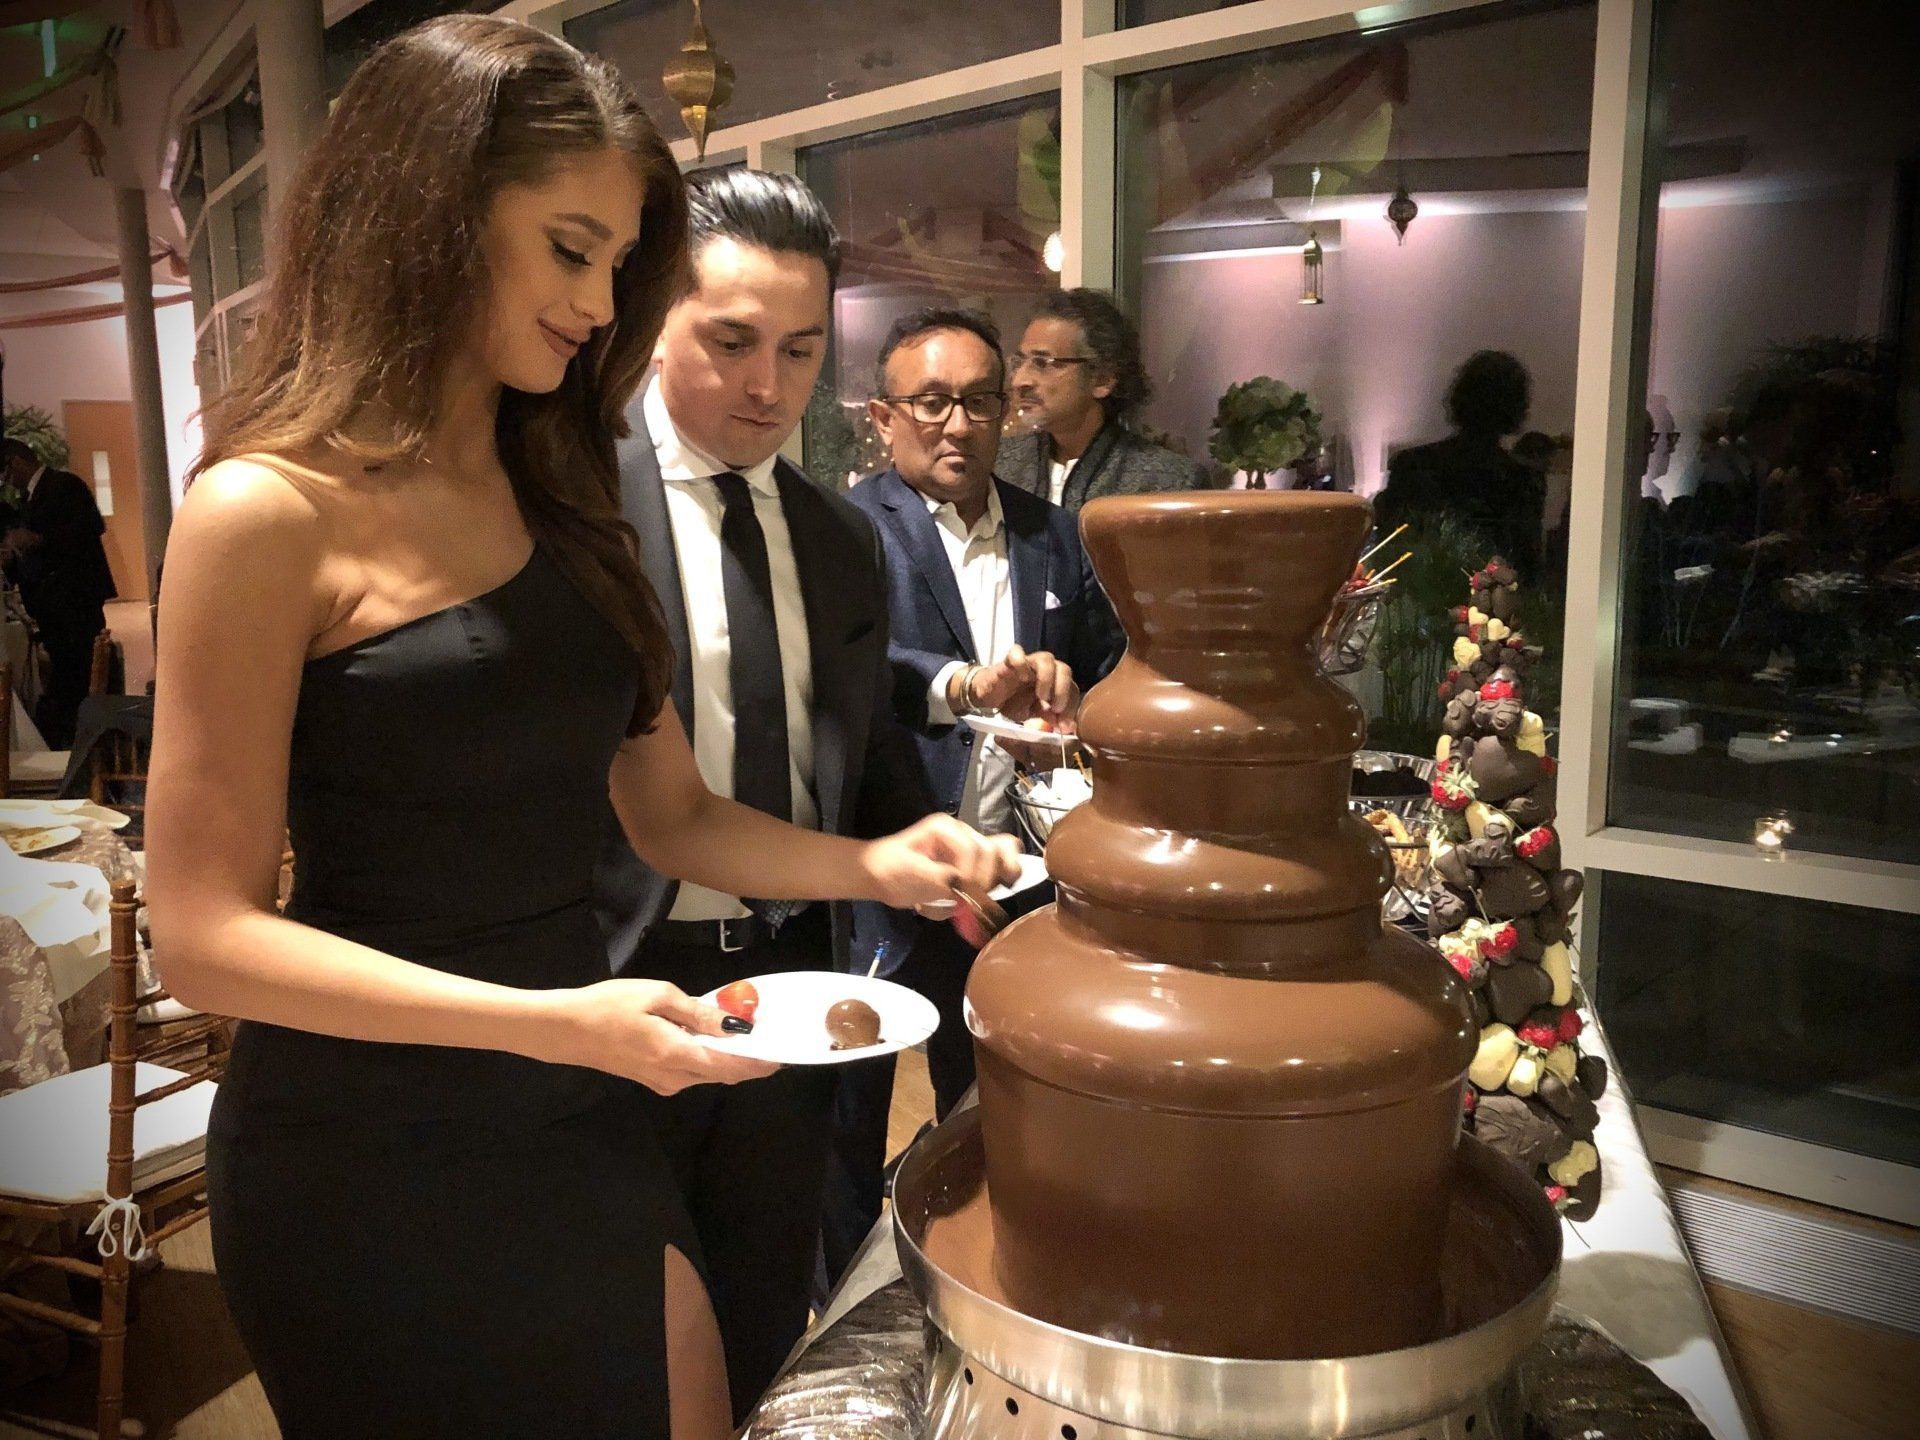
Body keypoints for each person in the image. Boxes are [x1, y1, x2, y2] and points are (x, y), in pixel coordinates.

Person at [142, 21, 1015, 1440]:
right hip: (366, 1146)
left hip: (578, 1105)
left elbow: (672, 819)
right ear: (429, 209)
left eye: (618, 266)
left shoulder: (564, 496)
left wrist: (883, 863)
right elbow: (200, 935)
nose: (599, 303)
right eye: (569, 249)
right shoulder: (265, 510)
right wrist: (549, 1022)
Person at [591, 167, 957, 1422]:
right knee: (615, 1338)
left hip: (794, 985)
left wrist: (946, 862)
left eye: (801, 350)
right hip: (610, 983)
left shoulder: (838, 536)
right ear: (652, 324)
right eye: (730, 341)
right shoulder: (569, 501)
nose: (767, 387)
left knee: (759, 1309)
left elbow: (855, 772)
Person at [821, 307, 1123, 1290]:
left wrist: (1082, 710)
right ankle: (835, 1318)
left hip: (1022, 877)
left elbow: (1107, 669)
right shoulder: (847, 531)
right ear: (883, 415)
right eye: (933, 401)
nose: (959, 424)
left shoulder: (1054, 534)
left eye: (982, 401)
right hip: (890, 867)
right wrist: (971, 684)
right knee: (849, 1116)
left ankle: (979, 1287)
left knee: (998, 1107)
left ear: (1010, 411)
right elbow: (864, 672)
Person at [998, 288, 1206, 510]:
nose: (1020, 381)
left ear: (1102, 380)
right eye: (1019, 362)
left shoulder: (1168, 483)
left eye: (1042, 363)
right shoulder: (1002, 464)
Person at [1374, 350, 1546, 580]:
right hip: (1491, 609)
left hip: (1421, 602)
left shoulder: (1413, 465)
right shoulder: (1523, 479)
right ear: (1517, 408)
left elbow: (1388, 554)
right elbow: (1528, 570)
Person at [0, 435, 116, 746]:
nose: (8, 483)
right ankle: (71, 736)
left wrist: (38, 539)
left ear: (17, 461)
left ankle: (88, 739)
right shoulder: (28, 499)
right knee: (65, 669)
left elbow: (89, 528)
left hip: (74, 598)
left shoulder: (64, 485)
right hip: (50, 604)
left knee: (81, 669)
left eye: (7, 475)